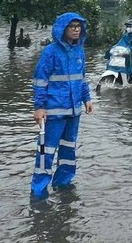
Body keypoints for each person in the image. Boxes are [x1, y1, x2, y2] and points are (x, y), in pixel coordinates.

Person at [31, 12, 94, 199]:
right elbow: (40, 80)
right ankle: (39, 192)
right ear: (63, 29)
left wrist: (87, 99)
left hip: (74, 111)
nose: (76, 30)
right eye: (72, 26)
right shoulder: (50, 52)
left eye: (78, 26)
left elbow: (82, 79)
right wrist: (39, 107)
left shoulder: (79, 51)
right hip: (54, 111)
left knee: (68, 149)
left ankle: (63, 185)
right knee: (46, 152)